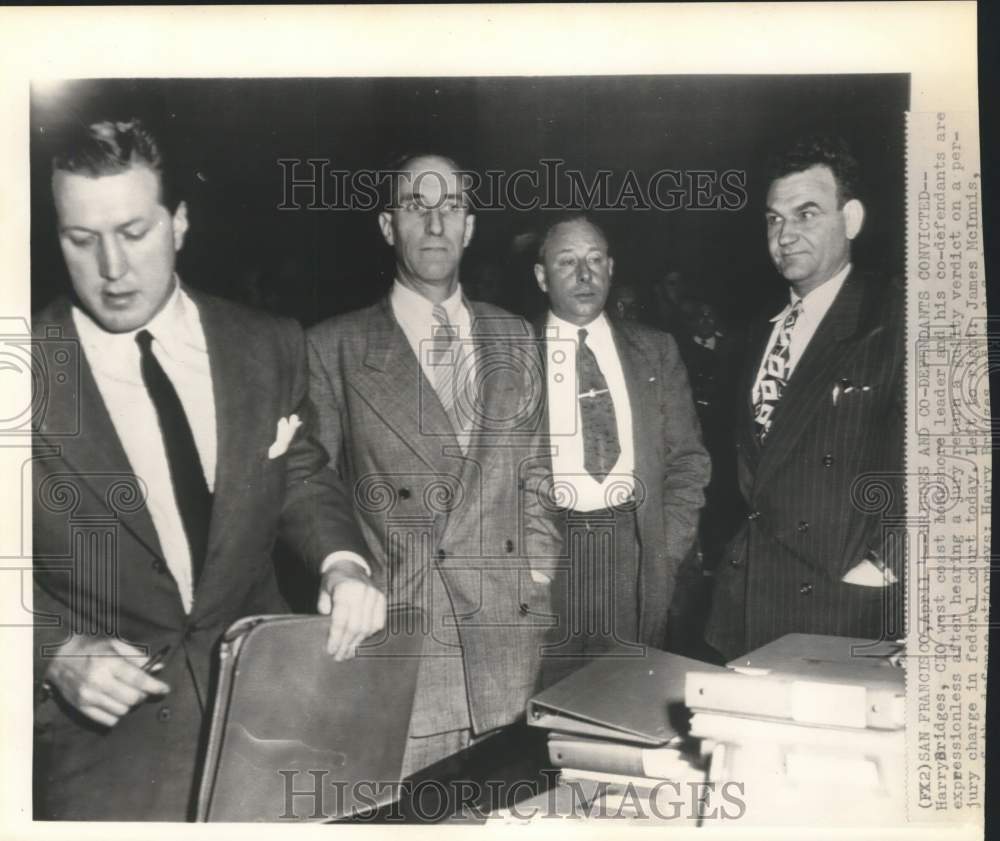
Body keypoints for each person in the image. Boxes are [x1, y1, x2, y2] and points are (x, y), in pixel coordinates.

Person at [31, 118, 385, 821]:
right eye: (81, 239)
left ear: (180, 222)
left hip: (266, 722)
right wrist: (52, 650)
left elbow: (301, 472)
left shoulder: (265, 343)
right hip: (105, 756)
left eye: (134, 233)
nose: (112, 268)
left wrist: (343, 561)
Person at [306, 154, 562, 777]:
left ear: (470, 227)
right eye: (416, 207)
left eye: (449, 207)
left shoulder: (515, 338)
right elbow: (313, 493)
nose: (435, 223)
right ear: (388, 225)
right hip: (401, 646)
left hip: (507, 644)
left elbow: (536, 473)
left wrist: (537, 570)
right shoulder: (334, 347)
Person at [705, 136, 904, 660]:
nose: (786, 235)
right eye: (773, 219)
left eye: (807, 213)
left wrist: (889, 563)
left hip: (842, 605)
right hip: (750, 602)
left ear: (852, 218)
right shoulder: (753, 333)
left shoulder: (896, 315)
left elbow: (957, 463)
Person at [532, 214, 710, 673]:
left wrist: (664, 553)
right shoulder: (511, 356)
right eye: (566, 262)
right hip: (548, 559)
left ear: (611, 268)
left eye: (594, 260)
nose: (584, 274)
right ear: (541, 276)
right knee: (540, 712)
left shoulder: (656, 349)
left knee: (623, 706)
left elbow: (688, 460)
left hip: (631, 552)